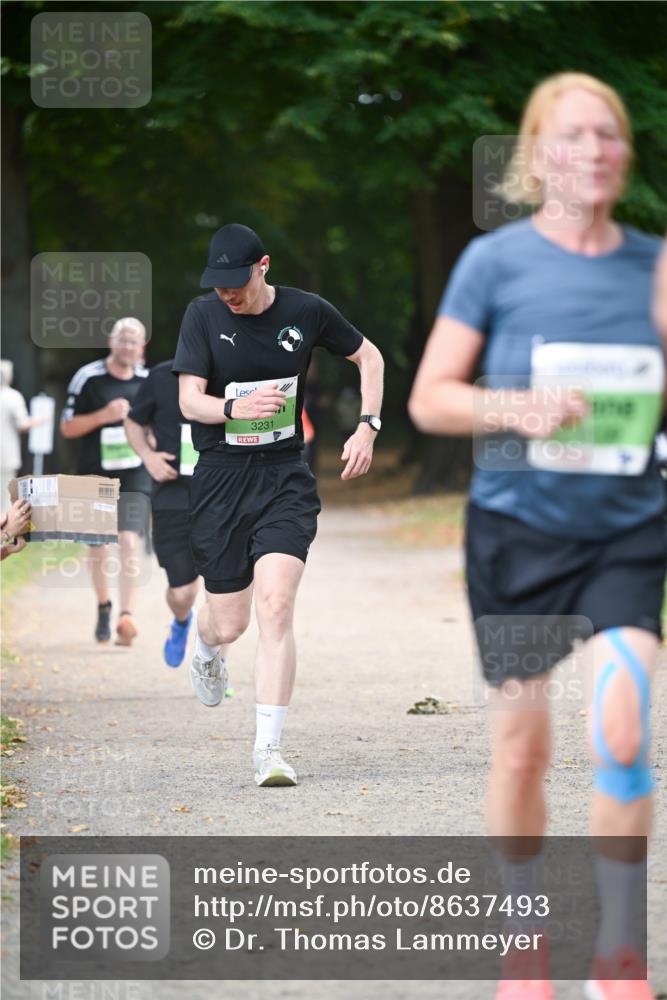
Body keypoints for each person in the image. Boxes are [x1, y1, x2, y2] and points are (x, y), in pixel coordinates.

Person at [409, 73, 664, 1000]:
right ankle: (523, 939)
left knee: (625, 730)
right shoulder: (495, 263)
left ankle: (618, 956)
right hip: (516, 534)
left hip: (626, 531)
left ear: (624, 154)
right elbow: (430, 400)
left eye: (607, 135)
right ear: (535, 155)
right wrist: (519, 408)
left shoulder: (656, 264)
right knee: (522, 752)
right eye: (570, 136)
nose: (591, 151)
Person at [174, 223, 384, 787]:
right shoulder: (203, 316)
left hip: (284, 476)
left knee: (276, 606)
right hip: (219, 478)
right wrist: (234, 410)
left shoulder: (307, 310)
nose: (228, 295)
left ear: (262, 266)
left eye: (236, 283)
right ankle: (205, 643)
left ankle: (268, 750)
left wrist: (368, 425)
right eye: (218, 286)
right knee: (230, 623)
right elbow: (189, 400)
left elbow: (370, 358)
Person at [61, 318, 151, 646]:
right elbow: (67, 428)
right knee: (99, 546)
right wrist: (104, 415)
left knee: (128, 540)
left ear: (142, 347)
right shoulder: (88, 378)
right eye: (123, 339)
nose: (128, 346)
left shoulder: (148, 380)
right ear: (112, 342)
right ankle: (103, 606)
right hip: (95, 471)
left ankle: (127, 617)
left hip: (135, 471)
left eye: (134, 341)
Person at [124, 360, 199, 667]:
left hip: (223, 494)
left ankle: (214, 665)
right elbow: (133, 421)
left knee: (226, 594)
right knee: (183, 592)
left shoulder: (232, 370)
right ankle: (181, 622)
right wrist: (148, 456)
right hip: (173, 494)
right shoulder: (160, 377)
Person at [0, 360, 49, 502]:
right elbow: (23, 424)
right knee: (4, 499)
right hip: (5, 457)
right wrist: (41, 420)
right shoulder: (12, 396)